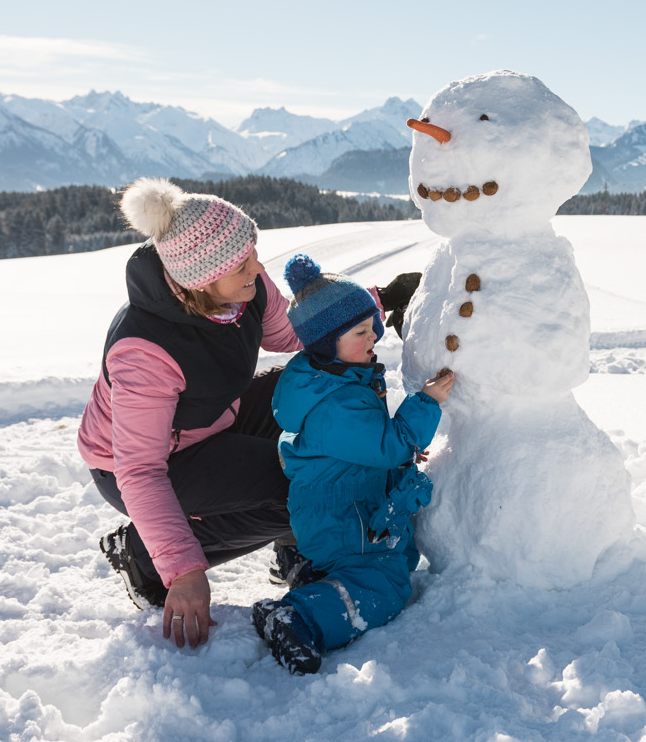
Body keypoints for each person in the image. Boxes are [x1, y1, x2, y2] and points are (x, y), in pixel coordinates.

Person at [79, 178, 409, 650]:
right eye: (242, 262)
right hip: (141, 466)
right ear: (199, 276)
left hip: (212, 419)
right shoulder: (145, 352)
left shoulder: (242, 287)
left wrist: (376, 304)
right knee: (307, 488)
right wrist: (184, 571)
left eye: (253, 252)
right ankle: (145, 558)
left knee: (329, 392)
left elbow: (297, 335)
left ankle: (296, 548)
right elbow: (140, 469)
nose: (257, 266)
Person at [250, 254, 452, 674]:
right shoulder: (335, 401)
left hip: (342, 509)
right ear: (326, 343)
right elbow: (387, 445)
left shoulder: (338, 380)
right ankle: (299, 616)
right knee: (387, 584)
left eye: (373, 329)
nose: (373, 338)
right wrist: (427, 404)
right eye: (360, 332)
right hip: (343, 516)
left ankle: (313, 567)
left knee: (394, 554)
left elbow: (370, 447)